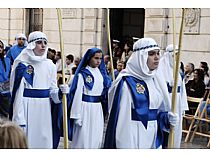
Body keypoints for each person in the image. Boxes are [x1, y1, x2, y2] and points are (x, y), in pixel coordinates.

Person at [104, 38, 178, 149]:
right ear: (141, 57)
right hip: (134, 134)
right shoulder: (127, 82)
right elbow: (122, 121)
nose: (157, 57)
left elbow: (157, 111)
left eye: (158, 53)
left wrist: (167, 118)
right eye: (151, 54)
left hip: (153, 135)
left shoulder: (156, 79)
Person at [9, 31, 69, 149]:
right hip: (27, 107)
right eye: (39, 42)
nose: (43, 45)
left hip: (44, 109)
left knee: (43, 140)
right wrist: (19, 117)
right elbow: (17, 94)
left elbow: (52, 91)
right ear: (31, 44)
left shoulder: (50, 65)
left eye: (45, 43)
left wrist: (60, 92)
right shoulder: (22, 65)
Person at [68, 47, 112, 148]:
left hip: (97, 109)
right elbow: (78, 94)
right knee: (83, 138)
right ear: (89, 58)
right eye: (96, 58)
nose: (98, 61)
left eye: (100, 59)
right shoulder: (82, 74)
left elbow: (105, 92)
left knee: (96, 137)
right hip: (84, 109)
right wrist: (76, 115)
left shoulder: (102, 74)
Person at [158, 44, 188, 148]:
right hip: (167, 102)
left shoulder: (178, 71)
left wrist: (183, 106)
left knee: (176, 127)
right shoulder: (161, 70)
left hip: (177, 102)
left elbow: (182, 90)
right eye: (174, 55)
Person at [0, 40, 11, 118]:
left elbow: (9, 74)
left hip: (5, 91)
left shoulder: (7, 60)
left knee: (4, 115)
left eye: (0, 47)